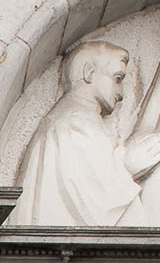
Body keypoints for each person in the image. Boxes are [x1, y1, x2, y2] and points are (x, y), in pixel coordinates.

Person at [13, 39, 160, 227]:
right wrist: (128, 167)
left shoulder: (78, 118)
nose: (121, 92)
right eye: (117, 79)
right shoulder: (76, 122)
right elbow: (97, 199)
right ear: (89, 72)